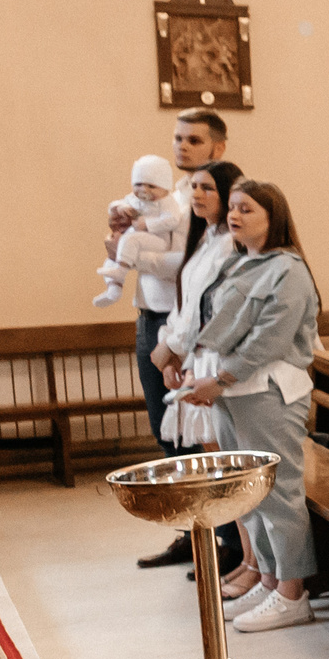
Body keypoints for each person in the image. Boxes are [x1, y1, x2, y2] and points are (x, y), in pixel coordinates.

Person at [178, 179, 323, 634]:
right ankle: (268, 577)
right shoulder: (241, 263)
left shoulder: (289, 270)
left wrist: (218, 381)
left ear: (272, 217)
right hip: (229, 392)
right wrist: (200, 371)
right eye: (234, 208)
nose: (235, 216)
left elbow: (270, 338)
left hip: (267, 393)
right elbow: (214, 324)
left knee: (278, 494)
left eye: (247, 209)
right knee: (245, 494)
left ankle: (293, 594)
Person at [141, 162, 245, 576]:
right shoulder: (205, 238)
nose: (197, 194)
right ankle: (228, 542)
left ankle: (238, 549)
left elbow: (211, 309)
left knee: (227, 460)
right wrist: (173, 351)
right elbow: (185, 302)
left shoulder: (231, 243)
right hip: (193, 355)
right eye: (195, 187)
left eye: (207, 188)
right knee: (212, 459)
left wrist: (171, 351)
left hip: (213, 357)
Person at [95, 154, 185, 307]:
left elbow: (172, 219)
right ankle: (113, 288)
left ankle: (121, 272)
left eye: (151, 186)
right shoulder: (135, 199)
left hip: (159, 241)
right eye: (138, 185)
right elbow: (116, 203)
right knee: (112, 256)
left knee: (130, 240)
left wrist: (148, 224)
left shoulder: (167, 201)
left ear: (164, 188)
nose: (144, 190)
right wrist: (120, 208)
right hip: (135, 239)